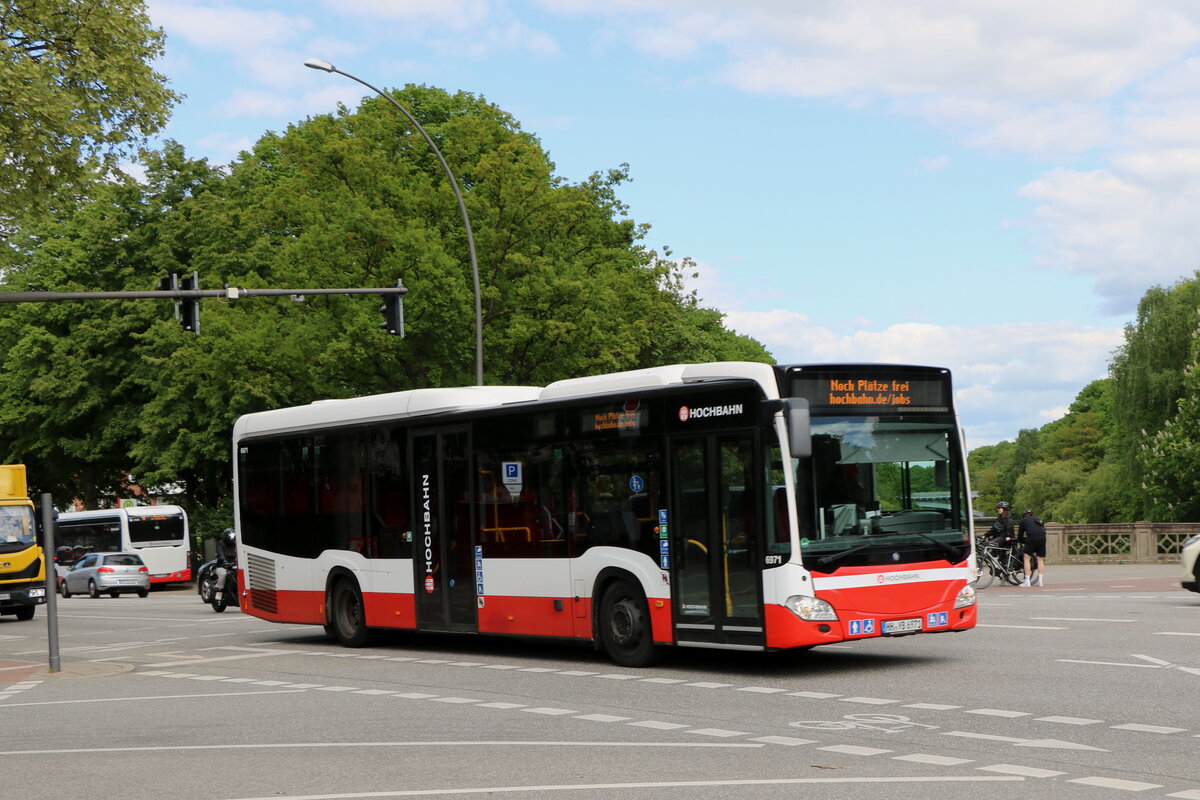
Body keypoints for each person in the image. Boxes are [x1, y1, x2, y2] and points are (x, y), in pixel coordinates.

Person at [1018, 509, 1047, 587]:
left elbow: (1020, 535)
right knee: (1040, 559)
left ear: (1024, 516)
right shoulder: (1038, 520)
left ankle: (1027, 581)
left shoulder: (1023, 521)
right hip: (1042, 538)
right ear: (1032, 515)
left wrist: (1023, 541)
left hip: (1032, 538)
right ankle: (1040, 581)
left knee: (1026, 558)